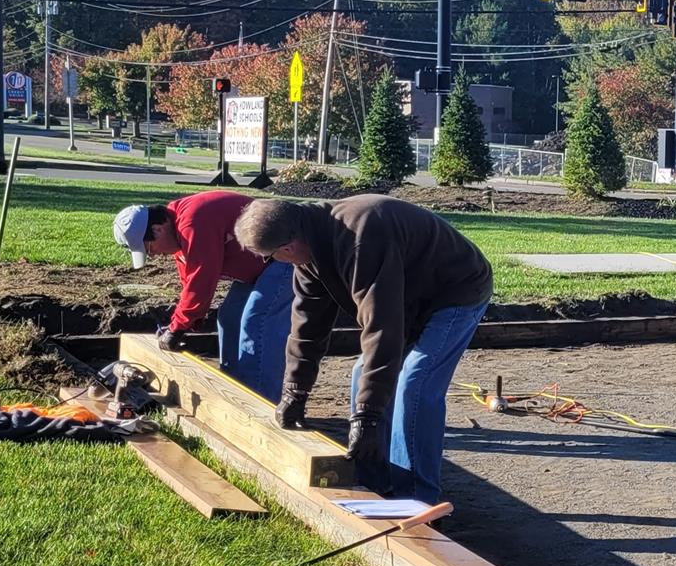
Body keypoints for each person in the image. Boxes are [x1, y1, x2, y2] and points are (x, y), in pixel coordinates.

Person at [234, 195, 492, 503]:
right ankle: (374, 484)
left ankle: (417, 500)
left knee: (415, 383)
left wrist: (367, 417)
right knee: (362, 375)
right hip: (408, 298)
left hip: (455, 292)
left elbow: (382, 328)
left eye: (270, 256)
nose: (273, 262)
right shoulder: (310, 249)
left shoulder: (360, 240)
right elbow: (307, 326)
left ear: (287, 247)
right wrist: (295, 390)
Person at [112, 191, 292, 402]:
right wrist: (186, 324)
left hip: (286, 256)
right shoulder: (179, 230)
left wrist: (178, 328)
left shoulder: (193, 223)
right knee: (229, 318)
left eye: (149, 248)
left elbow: (202, 280)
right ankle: (235, 393)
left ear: (157, 229)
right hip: (261, 267)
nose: (153, 255)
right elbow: (189, 283)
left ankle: (261, 403)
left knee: (256, 322)